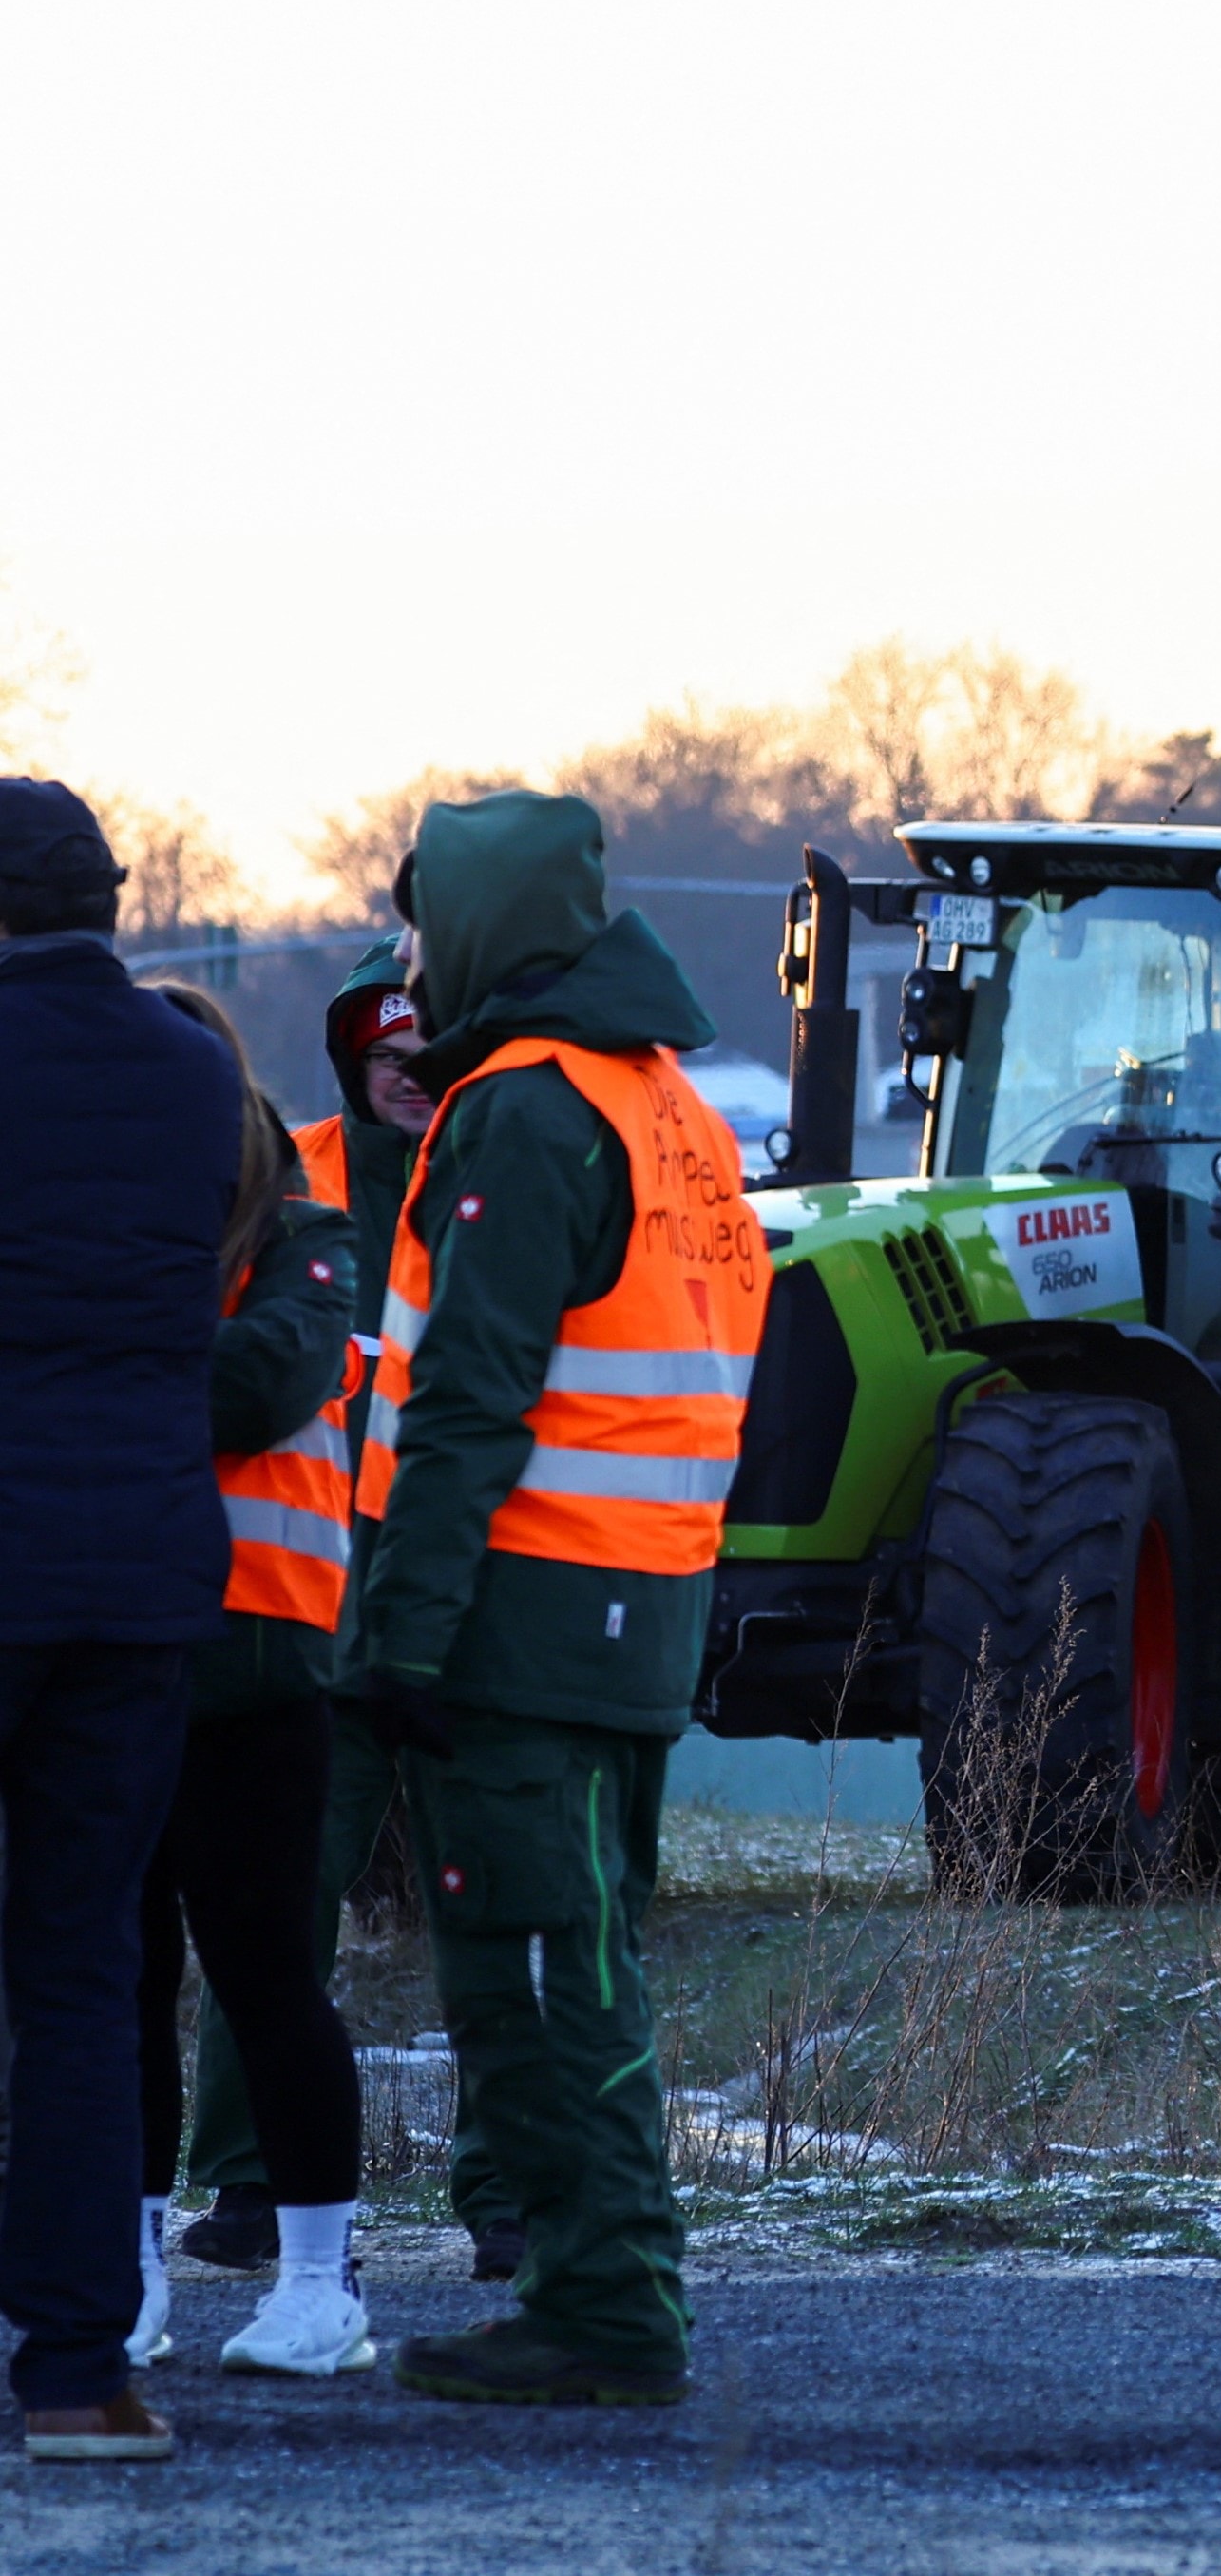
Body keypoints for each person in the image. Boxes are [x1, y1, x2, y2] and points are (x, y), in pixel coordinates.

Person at [348, 792, 766, 2409]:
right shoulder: (672, 1108)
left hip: (518, 1621)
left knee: (530, 1970)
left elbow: (470, 1399)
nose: (403, 959)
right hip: (637, 1612)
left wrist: (400, 1628)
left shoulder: (522, 1111)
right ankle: (610, 2288)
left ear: (485, 933)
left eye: (419, 927)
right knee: (590, 1964)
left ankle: (600, 2310)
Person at [177, 948, 525, 2286]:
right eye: (390, 1062)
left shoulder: (506, 1177)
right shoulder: (289, 1176)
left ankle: (504, 2195)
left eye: (433, 1066)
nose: (411, 1086)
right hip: (311, 1607)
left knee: (492, 1900)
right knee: (268, 1910)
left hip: (470, 1597)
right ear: (349, 1063)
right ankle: (250, 2186)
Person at [0, 779, 239, 2462]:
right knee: (85, 1975)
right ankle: (80, 2371)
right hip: (142, 1570)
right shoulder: (202, 1072)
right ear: (113, 899)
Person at [130, 984, 373, 2379]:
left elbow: (263, 1380)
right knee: (115, 1981)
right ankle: (128, 2267)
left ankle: (322, 2283)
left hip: (264, 1663)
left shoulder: (303, 1239)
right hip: (121, 1652)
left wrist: (97, 1356)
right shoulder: (112, 1246)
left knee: (268, 1978)